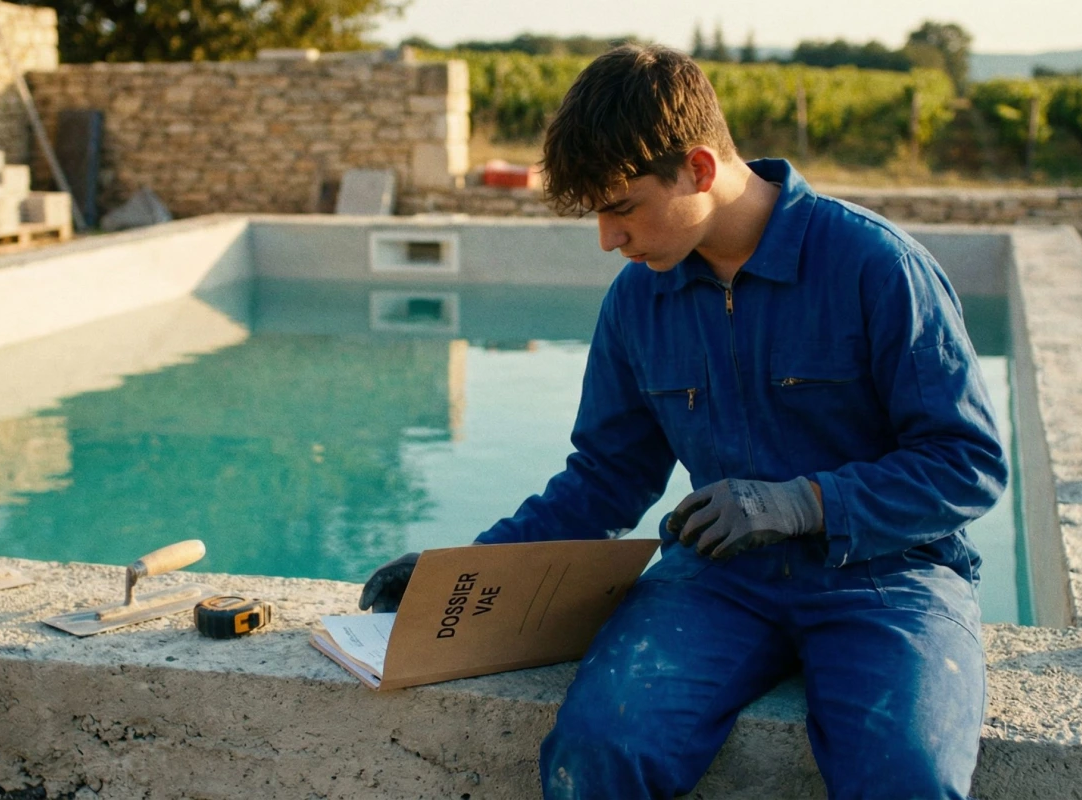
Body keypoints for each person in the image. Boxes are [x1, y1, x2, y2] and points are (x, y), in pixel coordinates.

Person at [360, 44, 1006, 800]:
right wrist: (462, 571)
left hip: (889, 577)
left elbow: (967, 462)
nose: (608, 237)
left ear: (699, 170)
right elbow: (604, 479)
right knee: (597, 752)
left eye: (621, 206)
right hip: (718, 580)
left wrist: (804, 503)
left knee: (907, 781)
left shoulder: (877, 266)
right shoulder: (638, 299)